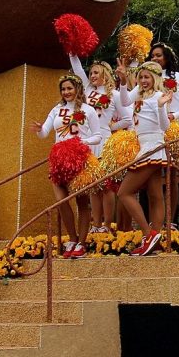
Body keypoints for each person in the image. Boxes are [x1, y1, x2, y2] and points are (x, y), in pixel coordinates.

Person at [31, 74, 101, 258]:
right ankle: (72, 237)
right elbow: (45, 133)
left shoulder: (88, 110)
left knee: (82, 202)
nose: (66, 92)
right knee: (61, 201)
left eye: (69, 88)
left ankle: (82, 243)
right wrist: (39, 130)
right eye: (63, 89)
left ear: (77, 89)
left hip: (80, 159)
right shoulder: (56, 109)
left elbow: (98, 136)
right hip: (59, 160)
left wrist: (80, 143)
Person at [115, 60, 173, 256]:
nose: (143, 80)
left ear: (155, 78)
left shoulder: (159, 96)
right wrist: (123, 81)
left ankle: (148, 234)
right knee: (155, 194)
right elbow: (124, 101)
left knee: (124, 193)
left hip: (152, 146)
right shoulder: (138, 93)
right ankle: (155, 237)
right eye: (140, 77)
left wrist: (160, 107)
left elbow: (165, 127)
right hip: (143, 146)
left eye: (147, 77)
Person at [68, 55, 131, 234]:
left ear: (105, 74)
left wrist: (111, 127)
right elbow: (78, 69)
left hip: (104, 142)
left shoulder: (115, 94)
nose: (92, 75)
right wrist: (72, 51)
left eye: (96, 72)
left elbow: (127, 119)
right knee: (92, 187)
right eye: (91, 73)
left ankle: (107, 224)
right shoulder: (87, 89)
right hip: (88, 142)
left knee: (106, 186)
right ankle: (96, 225)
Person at [146, 43, 179, 228]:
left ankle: (170, 220)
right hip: (153, 131)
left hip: (174, 128)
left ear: (167, 57)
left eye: (159, 55)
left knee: (172, 175)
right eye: (152, 56)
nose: (155, 58)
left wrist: (173, 116)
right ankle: (156, 222)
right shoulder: (147, 79)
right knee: (154, 176)